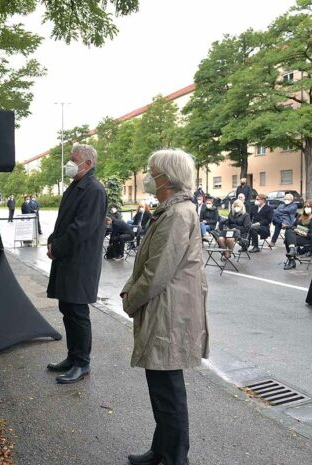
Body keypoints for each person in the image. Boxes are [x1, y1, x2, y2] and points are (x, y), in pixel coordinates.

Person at [120, 149, 209, 465]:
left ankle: (173, 458)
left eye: (151, 170)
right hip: (166, 309)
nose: (147, 176)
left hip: (168, 311)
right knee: (162, 389)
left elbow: (157, 272)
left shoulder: (176, 214)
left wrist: (131, 300)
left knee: (168, 392)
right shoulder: (171, 210)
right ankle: (162, 451)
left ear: (165, 178)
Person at [46, 144, 107, 384]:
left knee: (78, 312)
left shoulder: (93, 190)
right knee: (68, 310)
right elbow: (63, 222)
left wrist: (56, 248)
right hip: (68, 260)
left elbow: (80, 229)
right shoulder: (77, 186)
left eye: (74, 160)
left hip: (80, 263)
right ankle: (73, 357)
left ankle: (82, 363)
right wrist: (53, 241)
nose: (69, 164)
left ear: (88, 163)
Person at [283, 199, 312, 270]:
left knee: (287, 239)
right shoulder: (300, 216)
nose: (306, 208)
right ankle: (292, 250)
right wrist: (297, 230)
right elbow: (293, 226)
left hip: (309, 238)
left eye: (308, 206)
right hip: (297, 237)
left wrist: (305, 233)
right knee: (289, 231)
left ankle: (291, 261)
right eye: (305, 207)